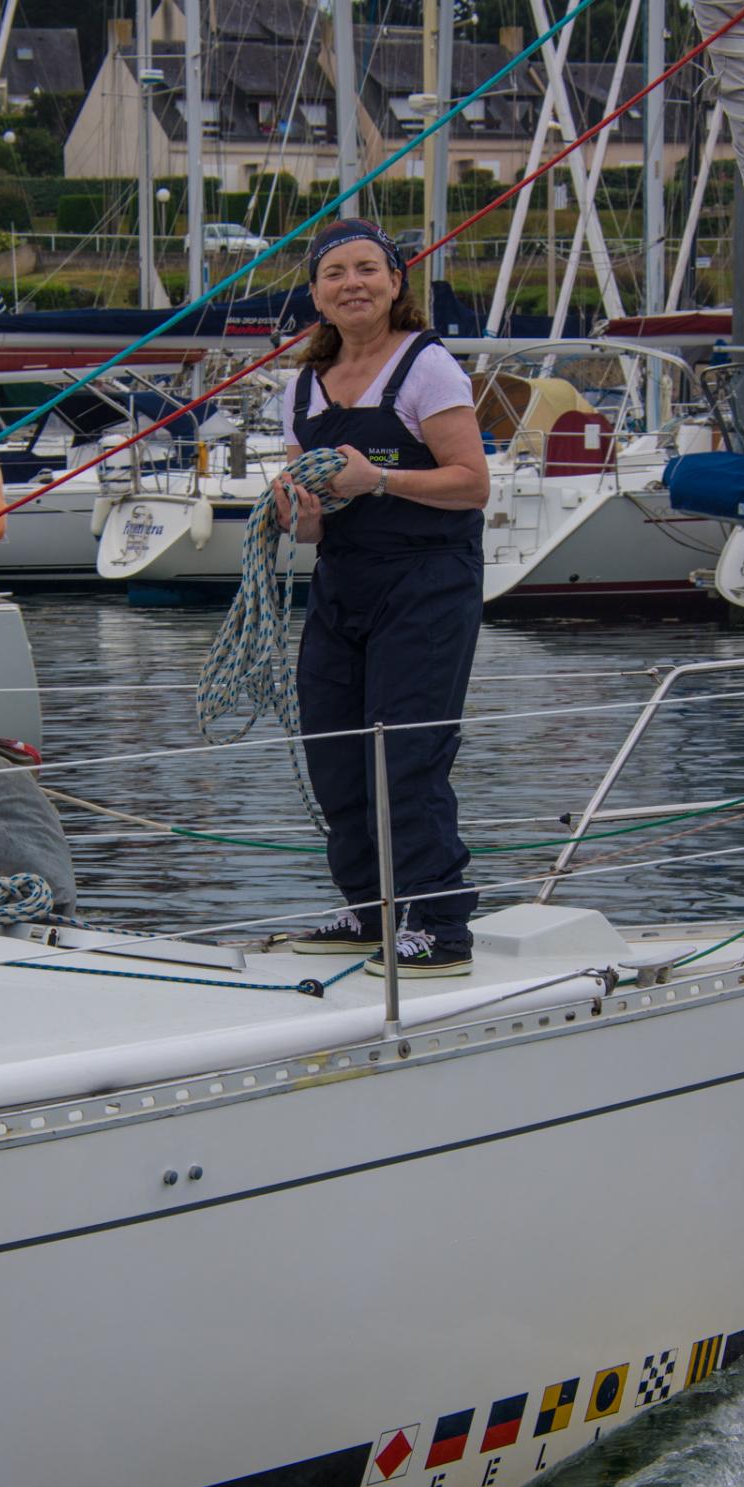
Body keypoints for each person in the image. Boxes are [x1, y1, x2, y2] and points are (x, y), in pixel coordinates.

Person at [276, 218, 490, 978]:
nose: (353, 284)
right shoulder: (301, 388)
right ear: (316, 295)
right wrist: (298, 511)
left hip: (427, 581)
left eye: (368, 269)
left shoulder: (427, 369)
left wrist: (380, 479)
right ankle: (371, 909)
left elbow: (473, 483)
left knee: (406, 753)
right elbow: (309, 522)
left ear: (396, 282)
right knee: (334, 750)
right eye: (335, 274)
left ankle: (440, 924)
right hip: (343, 584)